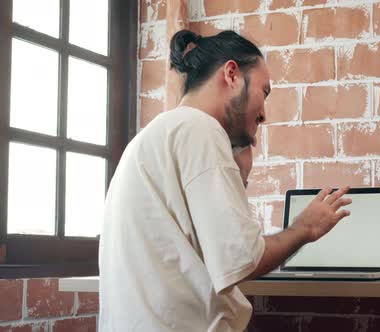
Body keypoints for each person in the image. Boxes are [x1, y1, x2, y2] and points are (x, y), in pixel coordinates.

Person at [98, 29, 352, 332]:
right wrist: (304, 228)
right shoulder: (201, 129)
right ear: (231, 74)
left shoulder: (159, 133)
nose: (264, 115)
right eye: (264, 92)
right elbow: (242, 259)